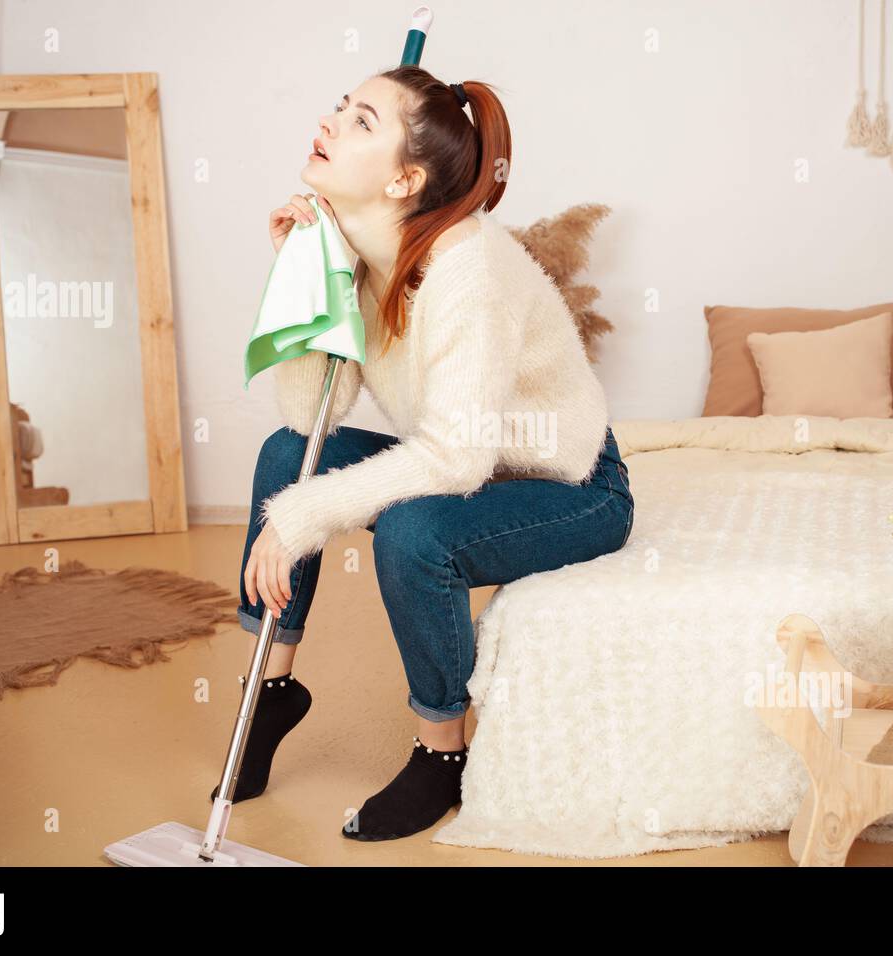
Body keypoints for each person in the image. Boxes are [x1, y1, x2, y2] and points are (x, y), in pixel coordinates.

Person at [223, 66, 634, 842]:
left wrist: (305, 517)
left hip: (573, 485)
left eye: (362, 121)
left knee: (416, 531)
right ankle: (269, 688)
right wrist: (306, 273)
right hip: (466, 461)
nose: (332, 120)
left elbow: (456, 461)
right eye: (342, 108)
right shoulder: (362, 248)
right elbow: (310, 414)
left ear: (405, 178)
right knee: (288, 457)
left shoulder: (467, 268)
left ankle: (443, 752)